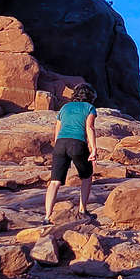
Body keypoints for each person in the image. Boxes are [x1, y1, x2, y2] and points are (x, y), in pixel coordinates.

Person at [44, 84, 99, 219]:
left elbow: (57, 129)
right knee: (86, 176)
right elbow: (90, 127)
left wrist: (57, 147)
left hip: (60, 144)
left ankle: (47, 217)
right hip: (77, 143)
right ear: (91, 96)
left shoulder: (65, 108)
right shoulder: (89, 108)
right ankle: (82, 210)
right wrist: (93, 149)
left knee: (55, 181)